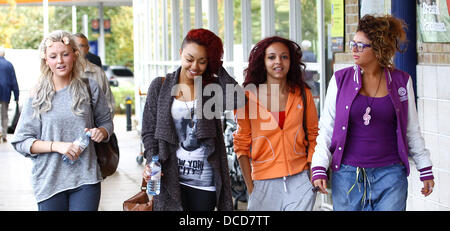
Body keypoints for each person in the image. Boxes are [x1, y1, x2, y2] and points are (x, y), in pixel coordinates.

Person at [311, 14, 435, 211]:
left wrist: (425, 169)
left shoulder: (402, 81)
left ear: (378, 49)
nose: (353, 49)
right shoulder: (340, 80)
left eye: (361, 45)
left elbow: (412, 130)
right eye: (353, 43)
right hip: (348, 175)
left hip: (391, 176)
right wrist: (319, 167)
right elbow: (327, 128)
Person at [141, 28, 244, 211]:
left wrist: (217, 66)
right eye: (189, 59)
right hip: (168, 178)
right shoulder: (161, 85)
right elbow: (149, 131)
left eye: (202, 61)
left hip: (204, 182)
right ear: (181, 53)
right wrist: (151, 160)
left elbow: (238, 98)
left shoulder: (211, 87)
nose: (195, 66)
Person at [11, 30, 113, 211]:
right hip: (49, 182)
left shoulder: (90, 88)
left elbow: (106, 123)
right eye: (53, 56)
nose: (60, 61)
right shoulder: (37, 95)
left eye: (65, 54)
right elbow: (21, 141)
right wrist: (57, 146)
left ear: (74, 55)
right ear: (46, 60)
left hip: (86, 178)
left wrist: (101, 132)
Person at [233, 36, 319, 211]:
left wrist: (310, 173)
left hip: (300, 180)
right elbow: (241, 144)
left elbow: (314, 135)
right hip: (263, 183)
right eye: (271, 57)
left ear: (291, 61)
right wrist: (251, 188)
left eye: (284, 57)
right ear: (262, 62)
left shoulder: (303, 94)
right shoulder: (248, 97)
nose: (278, 62)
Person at [73, 33, 116, 118]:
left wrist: (103, 128)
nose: (77, 49)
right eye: (74, 45)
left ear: (87, 49)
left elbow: (108, 103)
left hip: (95, 128)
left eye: (81, 46)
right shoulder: (62, 73)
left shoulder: (98, 73)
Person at [0, 47, 19, 143]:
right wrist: (16, 95)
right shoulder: (8, 65)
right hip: (5, 93)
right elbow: (13, 80)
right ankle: (4, 134)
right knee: (4, 114)